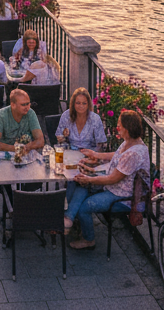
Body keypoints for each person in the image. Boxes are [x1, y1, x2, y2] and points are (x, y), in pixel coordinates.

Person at [67, 109, 150, 250]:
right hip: (114, 187)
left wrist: (89, 179)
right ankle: (69, 218)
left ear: (127, 129)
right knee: (76, 184)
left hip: (123, 197)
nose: (117, 128)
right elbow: (116, 156)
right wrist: (96, 155)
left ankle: (88, 239)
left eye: (119, 126)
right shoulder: (130, 142)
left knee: (85, 207)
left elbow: (112, 179)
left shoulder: (134, 154)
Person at [56, 88, 107, 232]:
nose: (80, 106)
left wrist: (92, 156)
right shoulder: (66, 116)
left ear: (88, 104)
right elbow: (59, 137)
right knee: (73, 178)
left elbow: (101, 144)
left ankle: (68, 216)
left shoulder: (95, 119)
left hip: (89, 157)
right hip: (70, 154)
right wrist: (63, 136)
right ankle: (70, 216)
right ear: (73, 104)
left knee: (76, 180)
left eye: (84, 103)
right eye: (77, 103)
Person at [0, 88, 44, 155]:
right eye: (23, 104)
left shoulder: (30, 113)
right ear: (13, 105)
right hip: (5, 154)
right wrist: (16, 149)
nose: (27, 107)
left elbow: (40, 141)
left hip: (25, 154)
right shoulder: (1, 115)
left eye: (28, 104)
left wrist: (28, 147)